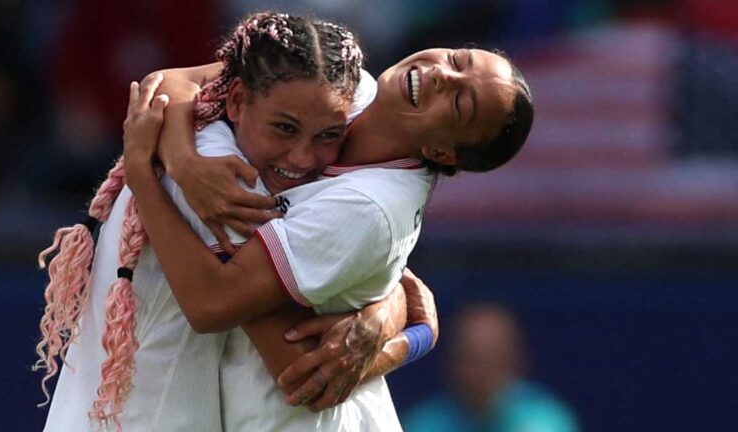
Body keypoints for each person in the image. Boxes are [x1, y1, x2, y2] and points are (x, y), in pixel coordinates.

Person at [119, 30, 534, 431]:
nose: (444, 74)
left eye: (460, 103)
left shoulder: (369, 209)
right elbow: (176, 81)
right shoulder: (353, 87)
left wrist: (144, 175)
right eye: (458, 60)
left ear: (441, 152)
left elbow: (218, 307)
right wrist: (182, 162)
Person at [37, 13, 425, 432]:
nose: (301, 157)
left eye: (328, 135)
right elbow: (303, 375)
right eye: (284, 128)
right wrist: (411, 333)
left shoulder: (196, 129)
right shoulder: (228, 185)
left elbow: (172, 81)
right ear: (237, 100)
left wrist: (392, 295)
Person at [402, 304, 580, 432]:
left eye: (484, 360)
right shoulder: (422, 423)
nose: (472, 373)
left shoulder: (545, 422)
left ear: (513, 360)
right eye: (465, 358)